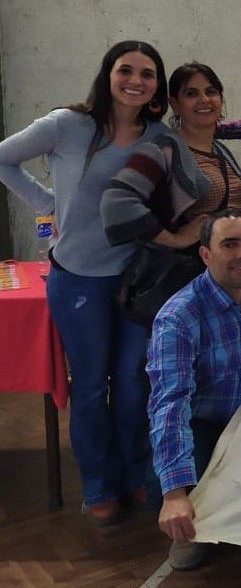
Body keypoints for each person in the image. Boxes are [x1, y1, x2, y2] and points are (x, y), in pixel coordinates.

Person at [0, 40, 168, 524]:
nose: (136, 80)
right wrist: (47, 203)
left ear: (158, 84)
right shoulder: (66, 125)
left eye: (148, 73)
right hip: (78, 280)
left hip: (138, 279)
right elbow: (5, 159)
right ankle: (98, 483)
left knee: (136, 384)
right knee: (91, 386)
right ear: (108, 74)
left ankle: (136, 473)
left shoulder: (158, 134)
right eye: (127, 70)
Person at [147, 209, 241, 570]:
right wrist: (175, 495)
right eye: (230, 244)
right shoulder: (178, 317)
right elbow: (170, 403)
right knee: (190, 510)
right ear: (205, 254)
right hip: (204, 422)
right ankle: (193, 528)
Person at [102, 62, 241, 315]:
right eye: (191, 93)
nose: (204, 99)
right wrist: (175, 239)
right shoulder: (164, 148)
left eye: (211, 91)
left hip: (225, 280)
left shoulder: (220, 150)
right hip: (185, 281)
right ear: (175, 103)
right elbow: (116, 200)